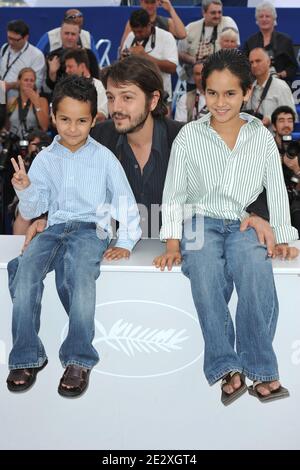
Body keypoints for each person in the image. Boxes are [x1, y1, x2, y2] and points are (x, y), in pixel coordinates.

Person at [21, 56, 290, 258]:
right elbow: (61, 180)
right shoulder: (95, 138)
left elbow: (241, 181)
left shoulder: (186, 138)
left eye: (127, 98)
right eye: (112, 98)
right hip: (112, 259)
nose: (116, 108)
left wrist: (258, 214)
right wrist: (48, 218)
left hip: (181, 258)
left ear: (152, 101)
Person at [154, 49, 299, 405]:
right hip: (197, 220)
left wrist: (283, 236)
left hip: (243, 221)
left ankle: (261, 369)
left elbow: (276, 189)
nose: (221, 102)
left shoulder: (262, 138)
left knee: (254, 267)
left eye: (230, 93)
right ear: (203, 92)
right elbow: (173, 192)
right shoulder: (189, 136)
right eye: (213, 93)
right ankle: (224, 366)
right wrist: (172, 243)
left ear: (246, 93)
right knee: (203, 269)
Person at [6, 75, 141, 398]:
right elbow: (36, 206)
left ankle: (79, 358)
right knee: (23, 273)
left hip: (90, 230)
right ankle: (27, 356)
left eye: (81, 120)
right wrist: (24, 188)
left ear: (94, 120)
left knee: (80, 276)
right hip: (53, 229)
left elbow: (126, 202)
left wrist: (124, 241)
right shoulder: (46, 159)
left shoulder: (104, 158)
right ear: (53, 116)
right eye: (65, 119)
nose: (72, 127)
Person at [121, 9, 178, 107]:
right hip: (134, 96)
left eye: (140, 31)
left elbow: (172, 68)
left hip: (160, 97)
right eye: (135, 32)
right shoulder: (131, 36)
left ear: (149, 25)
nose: (137, 35)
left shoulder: (166, 37)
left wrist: (144, 56)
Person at [178, 0, 240, 89]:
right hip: (195, 79)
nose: (217, 16)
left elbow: (235, 49)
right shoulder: (191, 28)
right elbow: (180, 53)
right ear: (204, 12)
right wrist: (193, 60)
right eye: (213, 13)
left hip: (221, 79)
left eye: (220, 12)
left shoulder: (228, 22)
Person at [243, 1, 297, 83]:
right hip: (256, 85)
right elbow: (245, 67)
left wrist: (280, 75)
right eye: (261, 16)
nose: (264, 19)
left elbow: (293, 67)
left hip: (281, 85)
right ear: (257, 20)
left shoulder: (285, 41)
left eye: (267, 16)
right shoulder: (250, 42)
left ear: (274, 19)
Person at [246, 48, 297, 130]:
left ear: (268, 62)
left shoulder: (281, 87)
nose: (254, 65)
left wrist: (271, 120)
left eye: (258, 61)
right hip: (253, 139)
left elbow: (292, 117)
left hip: (274, 140)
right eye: (251, 62)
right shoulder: (250, 89)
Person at [271, 105, 300, 237]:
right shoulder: (265, 147)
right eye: (281, 120)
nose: (286, 124)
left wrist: (296, 169)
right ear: (274, 126)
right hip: (272, 200)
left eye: (289, 120)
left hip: (294, 200)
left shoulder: (297, 147)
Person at [0, 20, 46, 99]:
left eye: (15, 40)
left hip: (22, 102)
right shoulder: (5, 48)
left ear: (26, 37)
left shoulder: (36, 55)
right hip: (3, 99)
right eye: (9, 38)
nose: (11, 42)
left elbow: (36, 85)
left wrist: (11, 86)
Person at [120, 0, 186, 49]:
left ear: (158, 2)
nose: (149, 6)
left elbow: (182, 34)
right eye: (146, 2)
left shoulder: (166, 22)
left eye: (153, 2)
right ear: (141, 2)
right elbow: (124, 47)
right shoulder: (133, 22)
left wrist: (170, 9)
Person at [64, 48, 108, 122]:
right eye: (66, 67)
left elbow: (102, 115)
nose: (67, 70)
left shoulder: (98, 85)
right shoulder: (65, 87)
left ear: (82, 67)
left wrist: (78, 119)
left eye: (70, 67)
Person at [6, 67, 49, 139]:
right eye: (26, 80)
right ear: (19, 81)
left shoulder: (41, 101)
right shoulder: (12, 102)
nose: (29, 83)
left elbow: (45, 127)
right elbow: (6, 126)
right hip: (14, 143)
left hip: (33, 143)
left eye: (32, 80)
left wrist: (36, 103)